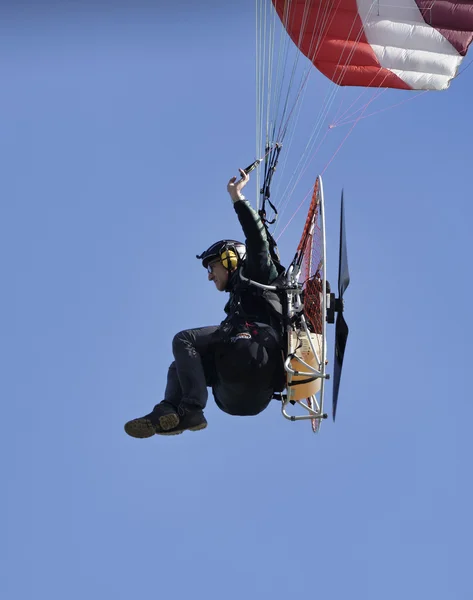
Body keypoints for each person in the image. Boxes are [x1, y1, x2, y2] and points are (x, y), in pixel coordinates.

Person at [124, 169, 286, 438]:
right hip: (244, 391)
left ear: (231, 259)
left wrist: (237, 197)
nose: (210, 276)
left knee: (184, 340)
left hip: (257, 349)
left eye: (212, 267)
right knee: (180, 364)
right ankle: (168, 410)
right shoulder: (237, 302)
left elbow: (257, 240)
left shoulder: (257, 272)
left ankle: (192, 409)